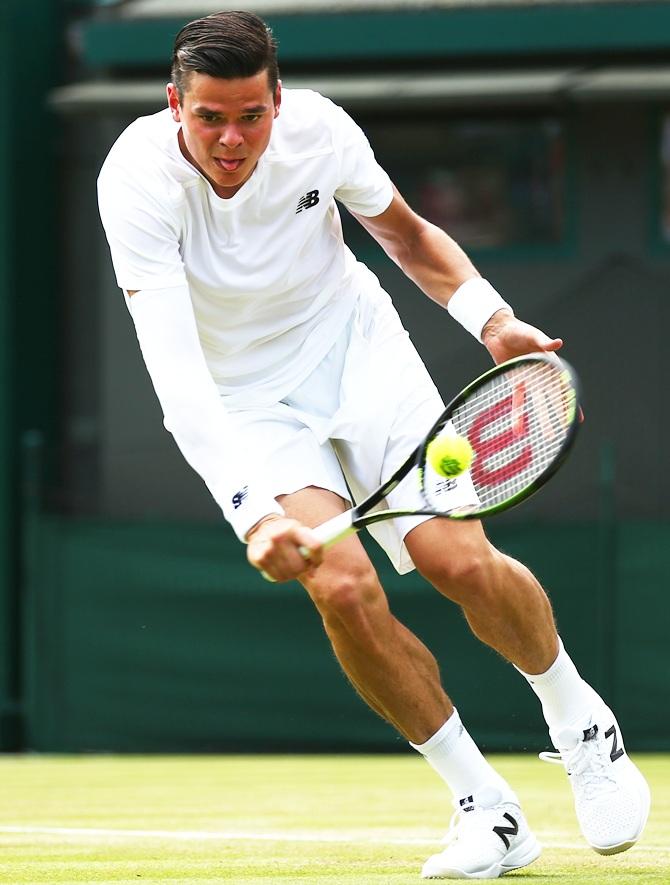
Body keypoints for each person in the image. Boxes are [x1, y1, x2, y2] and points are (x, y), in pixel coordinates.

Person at [97, 10, 650, 879]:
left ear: (278, 102)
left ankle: (579, 717)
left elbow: (405, 234)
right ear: (176, 104)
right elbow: (180, 382)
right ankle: (487, 808)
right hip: (245, 403)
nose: (232, 138)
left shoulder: (321, 131)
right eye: (210, 118)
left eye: (251, 115)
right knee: (343, 587)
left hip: (359, 353)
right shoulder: (135, 178)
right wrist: (251, 513)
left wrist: (492, 318)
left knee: (459, 564)